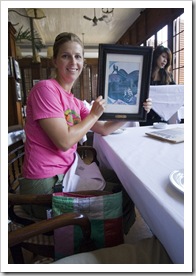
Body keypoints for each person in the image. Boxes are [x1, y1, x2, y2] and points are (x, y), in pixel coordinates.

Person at [19, 32, 152, 234]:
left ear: (83, 61)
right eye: (65, 56)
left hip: (66, 174)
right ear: (55, 60)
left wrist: (136, 111)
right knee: (121, 196)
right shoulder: (45, 90)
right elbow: (64, 141)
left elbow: (104, 128)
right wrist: (93, 115)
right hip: (43, 188)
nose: (73, 62)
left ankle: (105, 239)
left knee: (125, 182)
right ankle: (102, 246)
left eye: (78, 56)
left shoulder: (74, 101)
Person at [140, 45, 175, 126]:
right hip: (146, 113)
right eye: (163, 57)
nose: (165, 61)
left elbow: (174, 91)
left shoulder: (168, 76)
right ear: (156, 56)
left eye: (167, 59)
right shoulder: (145, 73)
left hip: (161, 116)